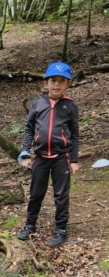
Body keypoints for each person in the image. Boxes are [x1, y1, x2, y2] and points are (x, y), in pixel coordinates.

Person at [17, 62, 80, 247]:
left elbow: (75, 134)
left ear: (68, 84)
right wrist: (25, 153)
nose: (57, 84)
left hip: (62, 157)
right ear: (46, 83)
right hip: (40, 156)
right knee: (36, 193)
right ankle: (30, 225)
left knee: (61, 195)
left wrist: (74, 160)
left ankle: (60, 230)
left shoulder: (70, 106)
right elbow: (29, 129)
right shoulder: (38, 104)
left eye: (62, 81)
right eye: (53, 80)